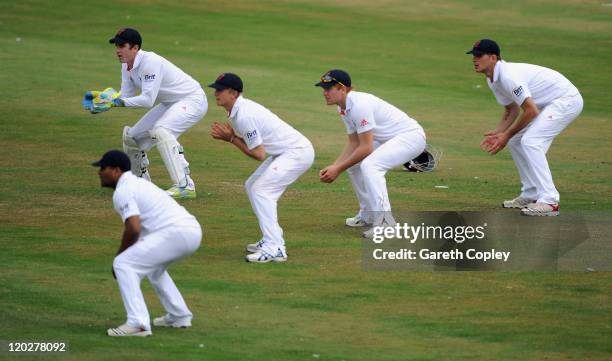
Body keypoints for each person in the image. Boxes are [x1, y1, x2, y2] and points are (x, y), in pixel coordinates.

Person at [468, 39, 583, 216]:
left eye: (479, 55)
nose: (474, 59)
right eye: (473, 56)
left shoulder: (508, 76)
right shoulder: (492, 79)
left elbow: (531, 111)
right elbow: (511, 108)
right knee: (516, 141)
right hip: (546, 103)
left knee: (531, 142)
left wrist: (506, 135)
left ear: (492, 57)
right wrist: (500, 132)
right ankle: (531, 193)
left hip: (566, 100)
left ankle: (550, 201)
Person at [93, 150, 202, 337]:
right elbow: (141, 231)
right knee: (153, 269)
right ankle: (179, 315)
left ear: (117, 170)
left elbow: (133, 228)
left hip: (176, 232)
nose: (99, 172)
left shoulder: (123, 190)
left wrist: (119, 256)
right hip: (191, 230)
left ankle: (138, 323)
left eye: (104, 167)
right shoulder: (136, 184)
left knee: (124, 264)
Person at [209, 73, 314, 263]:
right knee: (252, 185)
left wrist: (232, 139)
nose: (215, 93)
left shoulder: (244, 115)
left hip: (296, 153)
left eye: (220, 90)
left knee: (261, 190)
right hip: (285, 152)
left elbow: (259, 154)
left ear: (233, 93)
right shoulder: (238, 111)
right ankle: (270, 238)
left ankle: (276, 248)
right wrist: (234, 138)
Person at [315, 69, 426, 237]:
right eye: (324, 89)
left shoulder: (359, 105)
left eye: (328, 89)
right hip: (389, 138)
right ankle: (368, 214)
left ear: (342, 89)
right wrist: (335, 165)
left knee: (370, 166)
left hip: (411, 137)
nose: (325, 93)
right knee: (355, 165)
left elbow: (366, 147)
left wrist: (338, 170)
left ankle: (386, 223)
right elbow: (354, 143)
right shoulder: (343, 108)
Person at [105, 27, 208, 199]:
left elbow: (147, 100)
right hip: (171, 103)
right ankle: (140, 185)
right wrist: (105, 100)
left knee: (162, 130)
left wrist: (117, 102)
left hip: (193, 100)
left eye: (122, 45)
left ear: (135, 48)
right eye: (116, 45)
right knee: (133, 137)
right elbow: (125, 96)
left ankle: (185, 185)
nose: (118, 50)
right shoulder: (126, 66)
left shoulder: (150, 62)